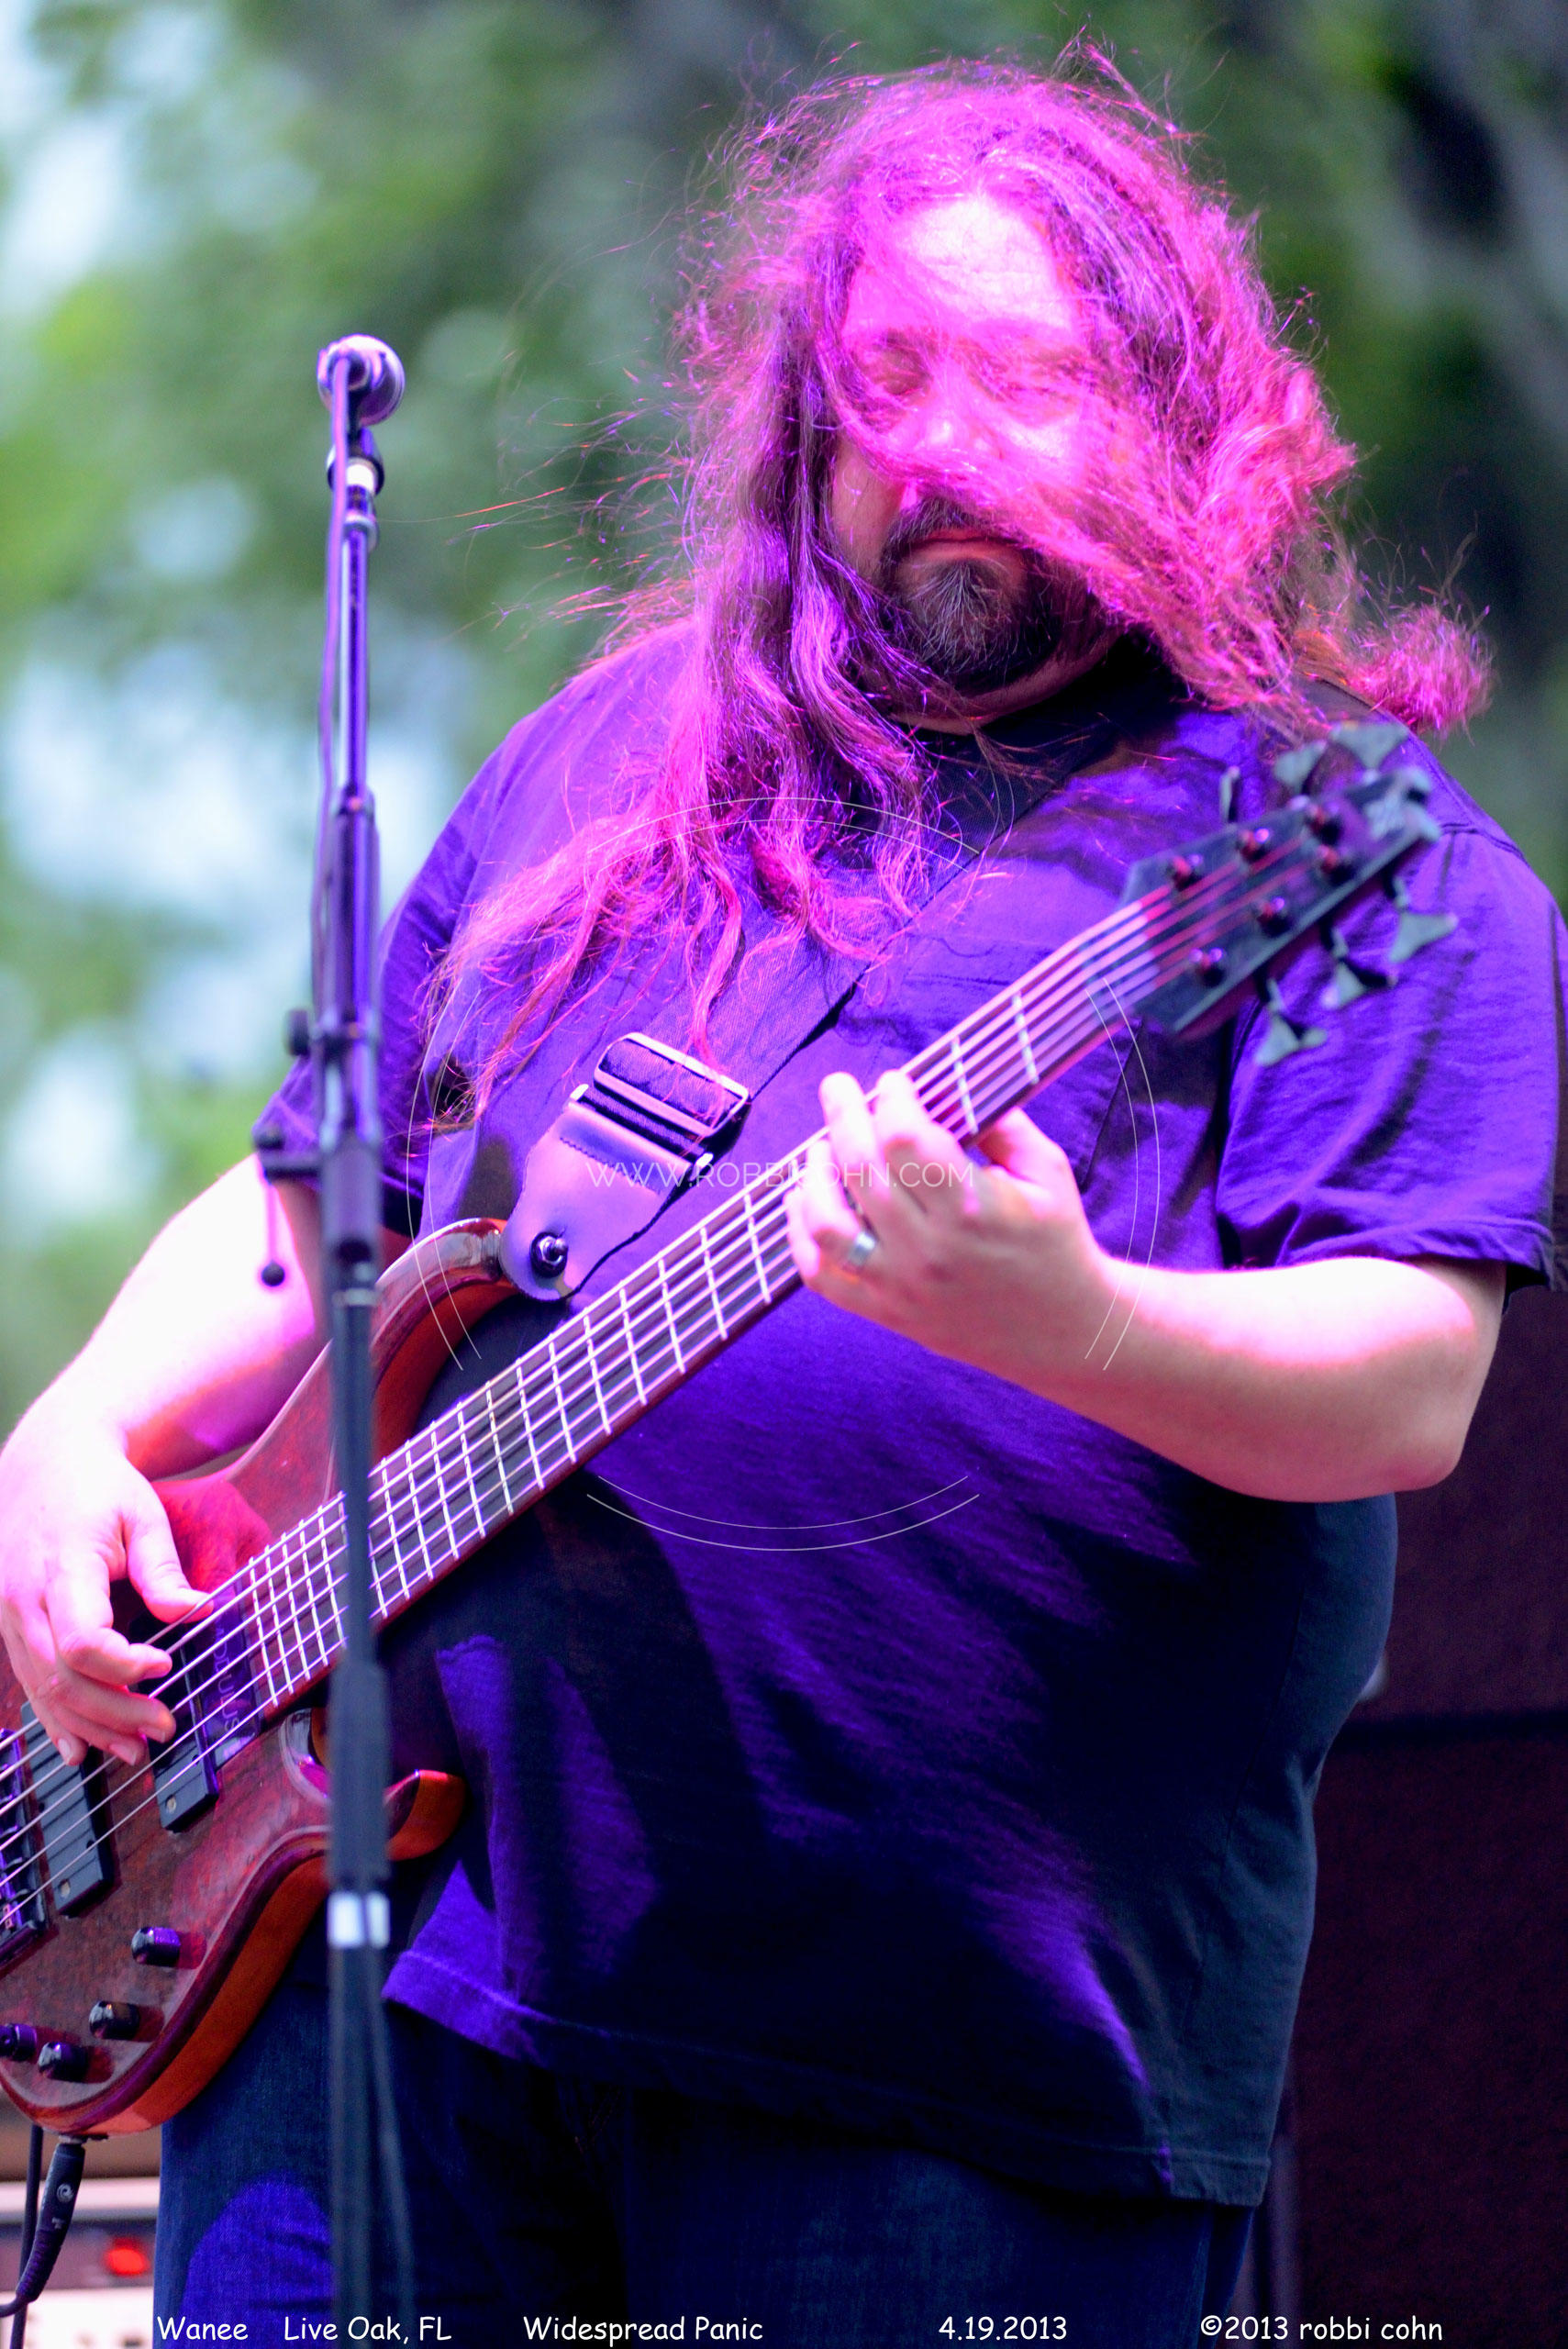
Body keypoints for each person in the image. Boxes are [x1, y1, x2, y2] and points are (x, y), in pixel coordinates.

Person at [0, 61, 1562, 2349]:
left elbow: (1407, 1380)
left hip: (941, 2072)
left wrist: (1074, 1320)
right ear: (804, 426)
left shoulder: (1346, 853)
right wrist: (66, 1435)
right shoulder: (606, 760)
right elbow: (309, 1201)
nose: (943, 444)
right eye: (888, 377)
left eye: (1026, 379)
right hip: (369, 1988)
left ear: (1177, 419)